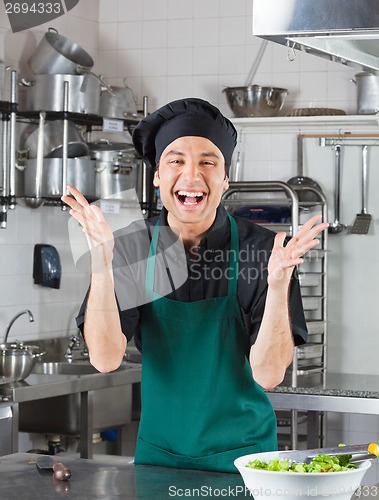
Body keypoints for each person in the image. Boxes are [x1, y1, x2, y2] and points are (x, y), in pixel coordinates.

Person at [62, 98, 328, 473]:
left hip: (246, 460)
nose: (191, 176)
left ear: (225, 179)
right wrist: (103, 264)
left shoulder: (265, 252)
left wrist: (278, 282)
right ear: (156, 175)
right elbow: (105, 360)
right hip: (160, 458)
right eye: (176, 161)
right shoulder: (132, 248)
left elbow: (268, 375)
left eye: (207, 161)